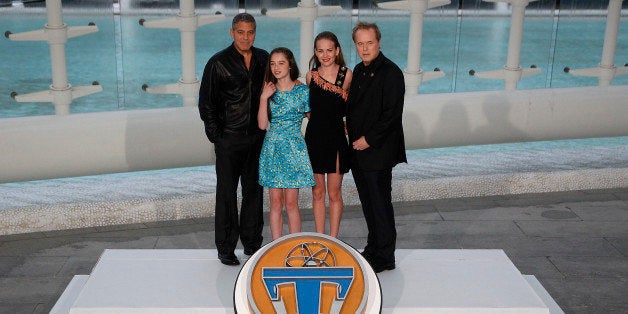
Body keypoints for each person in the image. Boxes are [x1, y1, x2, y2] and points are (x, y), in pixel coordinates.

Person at [198, 13, 268, 266]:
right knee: (226, 193)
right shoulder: (217, 63)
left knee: (254, 191)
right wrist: (218, 137)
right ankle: (225, 247)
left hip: (257, 138)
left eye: (250, 32)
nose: (245, 37)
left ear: (254, 33)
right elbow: (206, 103)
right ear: (232, 33)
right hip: (229, 139)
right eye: (241, 32)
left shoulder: (264, 58)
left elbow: (277, 88)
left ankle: (252, 243)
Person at [346, 22, 406, 273]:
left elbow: (391, 115)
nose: (365, 48)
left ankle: (385, 256)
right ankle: (373, 248)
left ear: (379, 43)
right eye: (360, 43)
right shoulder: (359, 70)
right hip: (359, 151)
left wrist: (368, 139)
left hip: (378, 151)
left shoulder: (391, 72)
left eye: (369, 42)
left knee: (380, 204)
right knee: (368, 204)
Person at [258, 47, 315, 240]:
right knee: (275, 203)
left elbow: (314, 120)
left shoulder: (302, 91)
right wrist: (263, 97)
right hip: (273, 148)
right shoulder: (268, 89)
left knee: (291, 203)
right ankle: (276, 245)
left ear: (290, 64)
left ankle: (294, 246)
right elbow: (262, 124)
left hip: (294, 148)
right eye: (272, 63)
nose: (276, 67)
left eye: (281, 63)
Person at [304, 31, 353, 238]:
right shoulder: (309, 76)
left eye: (329, 50)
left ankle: (333, 239)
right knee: (317, 192)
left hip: (336, 139)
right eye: (320, 50)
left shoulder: (347, 75)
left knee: (334, 192)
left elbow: (352, 108)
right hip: (314, 138)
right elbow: (307, 107)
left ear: (337, 50)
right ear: (315, 52)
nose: (325, 55)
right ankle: (319, 237)